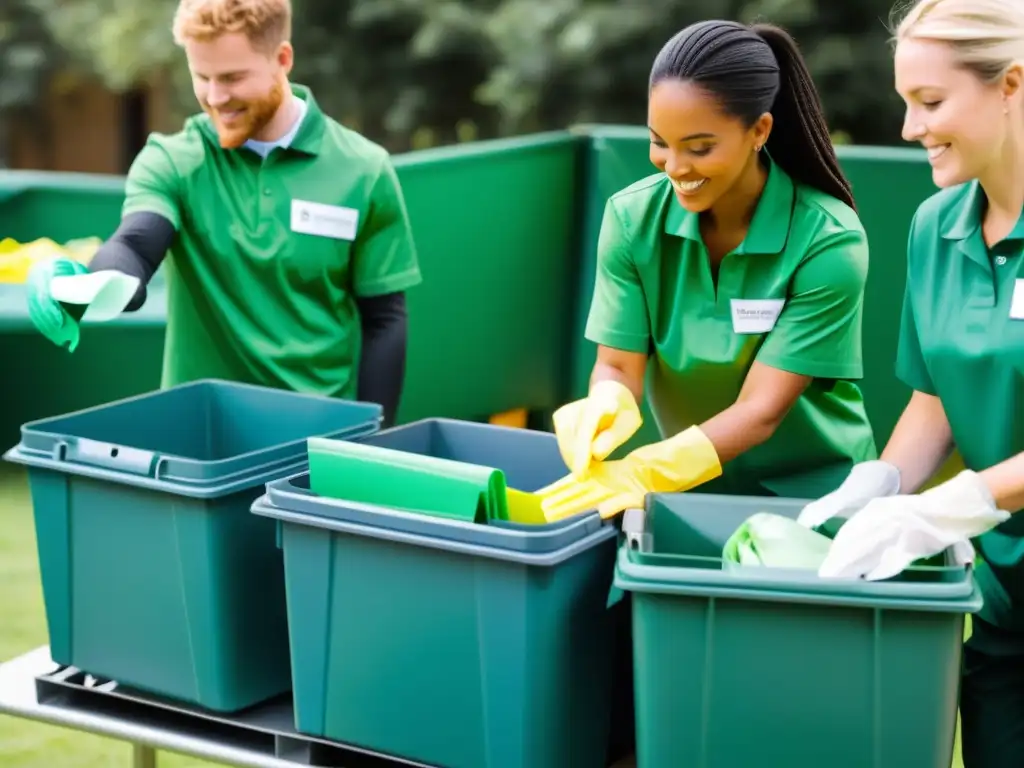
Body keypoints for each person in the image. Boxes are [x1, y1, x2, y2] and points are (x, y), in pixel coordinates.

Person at [799, 1, 1024, 764]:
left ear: (1011, 84)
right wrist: (886, 482)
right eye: (906, 103)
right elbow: (935, 398)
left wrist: (954, 505)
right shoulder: (935, 226)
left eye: (930, 103)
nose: (908, 127)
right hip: (1004, 602)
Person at [538, 20, 878, 523]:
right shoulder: (631, 221)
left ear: (759, 130)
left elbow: (761, 411)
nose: (675, 166)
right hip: (691, 496)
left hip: (816, 501)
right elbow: (618, 365)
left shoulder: (828, 239)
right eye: (659, 142)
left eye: (699, 148)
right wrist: (606, 401)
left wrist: (646, 472)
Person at [26, 0, 421, 426]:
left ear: (282, 59)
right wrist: (86, 287)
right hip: (202, 439)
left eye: (232, 78)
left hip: (319, 436)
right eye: (202, 77)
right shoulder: (174, 160)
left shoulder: (363, 170)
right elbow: (136, 246)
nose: (215, 98)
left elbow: (384, 320)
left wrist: (374, 439)